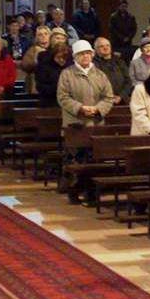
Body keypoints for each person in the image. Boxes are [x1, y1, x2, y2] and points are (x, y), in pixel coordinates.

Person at [57, 40, 114, 203]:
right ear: (75, 56)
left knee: (93, 160)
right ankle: (74, 192)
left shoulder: (100, 75)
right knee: (75, 160)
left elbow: (108, 97)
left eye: (88, 53)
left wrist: (98, 109)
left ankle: (91, 193)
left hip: (95, 124)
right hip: (75, 125)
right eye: (82, 54)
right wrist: (80, 108)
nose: (86, 56)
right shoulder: (67, 74)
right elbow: (63, 97)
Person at [94, 37, 132, 104]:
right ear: (96, 49)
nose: (105, 48)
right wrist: (109, 97)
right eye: (101, 46)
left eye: (107, 45)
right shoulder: (93, 64)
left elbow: (128, 80)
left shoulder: (120, 61)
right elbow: (95, 84)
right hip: (103, 101)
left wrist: (120, 96)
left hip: (123, 99)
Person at [35, 42, 72, 108]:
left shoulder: (71, 66)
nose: (61, 60)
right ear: (53, 55)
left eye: (64, 58)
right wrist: (58, 89)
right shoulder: (44, 66)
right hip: (49, 102)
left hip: (69, 102)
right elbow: (40, 86)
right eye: (58, 57)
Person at [21, 25, 51, 94]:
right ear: (37, 38)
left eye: (46, 34)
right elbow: (25, 66)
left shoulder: (54, 50)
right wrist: (37, 58)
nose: (43, 36)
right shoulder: (32, 50)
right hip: (35, 83)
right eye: (40, 35)